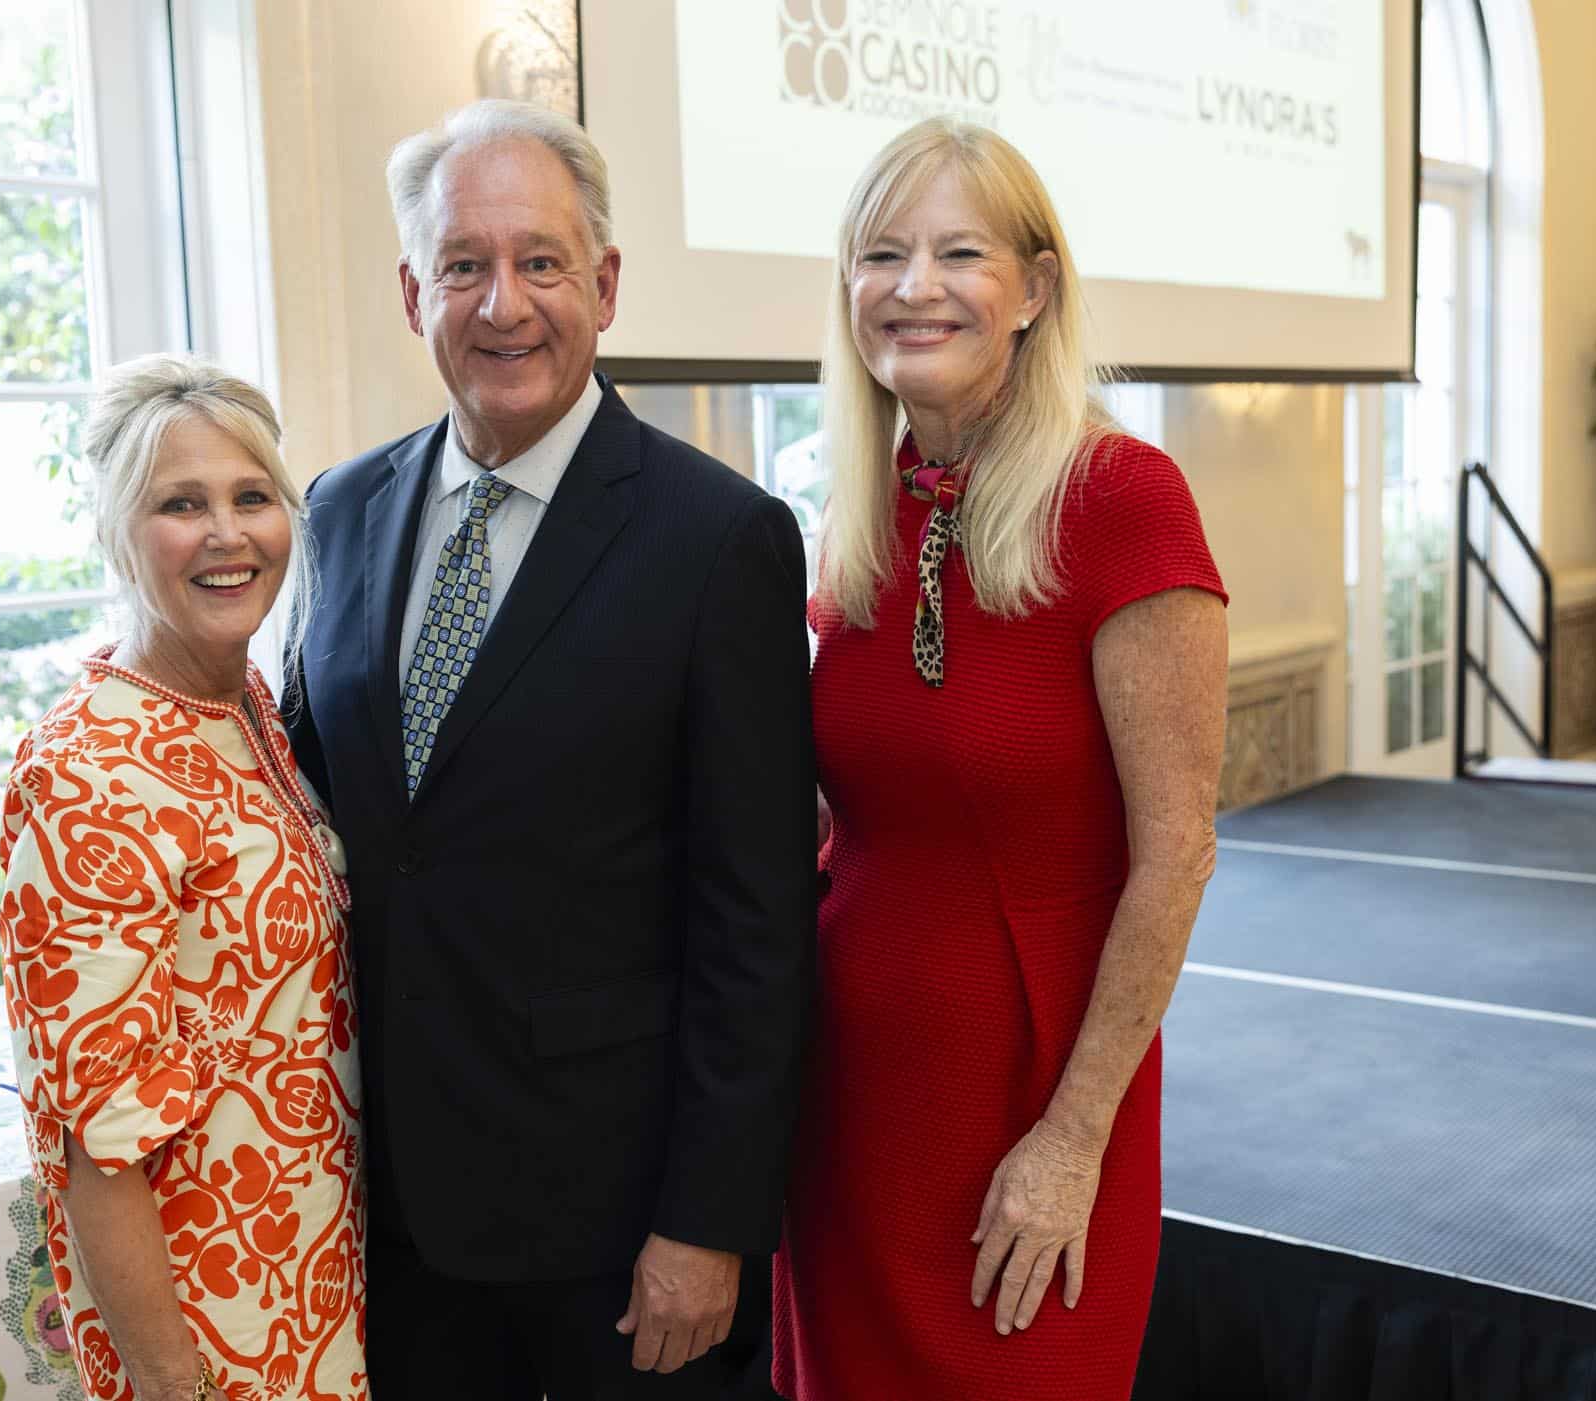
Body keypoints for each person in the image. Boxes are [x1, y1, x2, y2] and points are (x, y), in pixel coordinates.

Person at [286, 99, 817, 1399]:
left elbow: (758, 921)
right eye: (464, 265)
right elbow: (323, 809)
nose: (503, 303)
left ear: (607, 284)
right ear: (416, 291)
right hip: (386, 1214)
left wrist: (709, 1222)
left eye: (540, 261)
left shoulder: (719, 541)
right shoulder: (342, 509)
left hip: (620, 1235)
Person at [772, 120, 1229, 1399]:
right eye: (880, 254)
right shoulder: (856, 511)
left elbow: (1179, 849)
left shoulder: (1124, 499)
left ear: (1033, 289)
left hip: (1035, 1103)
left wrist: (1073, 1139)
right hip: (853, 1103)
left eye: (957, 252)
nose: (913, 287)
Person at [0, 354, 365, 1401]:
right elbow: (94, 1139)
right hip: (210, 1321)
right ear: (118, 530)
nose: (226, 533)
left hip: (321, 1269)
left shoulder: (247, 705)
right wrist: (171, 1382)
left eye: (253, 497)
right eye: (180, 504)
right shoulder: (85, 769)